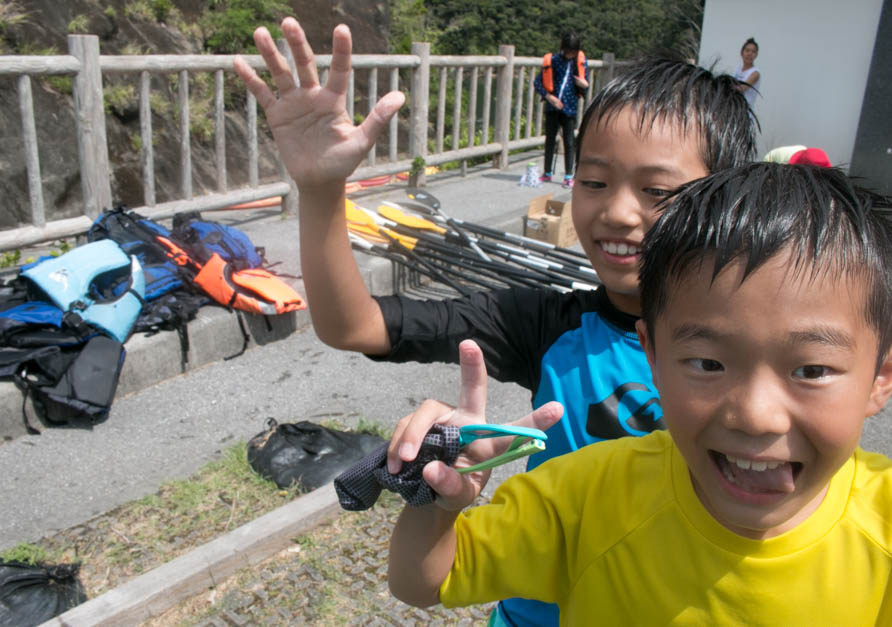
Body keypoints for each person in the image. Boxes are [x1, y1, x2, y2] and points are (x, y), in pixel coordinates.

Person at [233, 17, 756, 626]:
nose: (617, 211)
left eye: (658, 192)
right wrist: (322, 191)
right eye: (594, 180)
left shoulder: (762, 352)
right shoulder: (548, 323)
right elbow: (355, 326)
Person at [387, 163, 892, 624]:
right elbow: (424, 580)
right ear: (653, 356)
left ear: (880, 377)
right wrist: (436, 498)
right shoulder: (588, 496)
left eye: (812, 369)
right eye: (708, 363)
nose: (756, 417)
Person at [533, 31, 588, 188]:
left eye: (573, 51)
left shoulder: (580, 62)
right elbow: (538, 83)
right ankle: (547, 172)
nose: (570, 54)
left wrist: (584, 85)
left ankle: (569, 175)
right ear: (563, 48)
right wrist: (549, 97)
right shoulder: (555, 60)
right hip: (552, 107)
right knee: (550, 140)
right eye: (568, 51)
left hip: (569, 107)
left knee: (569, 141)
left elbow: (586, 83)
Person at [734, 37, 761, 108]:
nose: (750, 54)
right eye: (747, 50)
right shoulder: (738, 69)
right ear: (741, 53)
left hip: (745, 113)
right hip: (734, 110)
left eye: (753, 52)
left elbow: (741, 89)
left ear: (756, 55)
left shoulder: (755, 73)